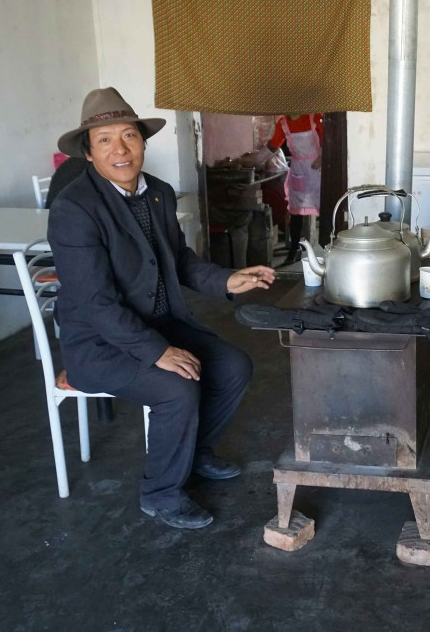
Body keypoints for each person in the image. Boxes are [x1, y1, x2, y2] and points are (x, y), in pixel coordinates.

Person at [48, 87, 276, 530]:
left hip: (158, 324)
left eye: (129, 136)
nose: (120, 149)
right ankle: (160, 494)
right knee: (177, 388)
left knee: (233, 366)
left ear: (143, 142)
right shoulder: (75, 209)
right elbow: (96, 303)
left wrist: (227, 279)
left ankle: (194, 456)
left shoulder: (159, 194)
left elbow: (179, 260)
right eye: (105, 140)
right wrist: (156, 352)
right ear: (89, 152)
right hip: (98, 344)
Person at [264, 113, 323, 265]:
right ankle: (294, 250)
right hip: (299, 170)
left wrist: (322, 157)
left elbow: (327, 140)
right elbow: (273, 145)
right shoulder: (283, 123)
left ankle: (328, 248)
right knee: (296, 212)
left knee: (325, 208)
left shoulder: (314, 117)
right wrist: (256, 159)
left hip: (317, 170)